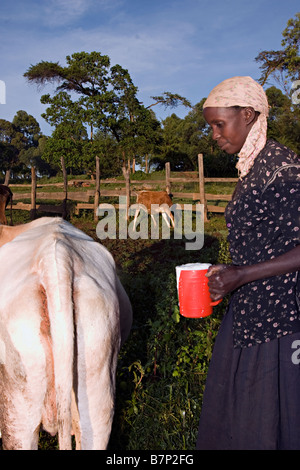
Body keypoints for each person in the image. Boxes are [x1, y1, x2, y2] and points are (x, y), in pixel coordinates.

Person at [196, 76, 300, 450]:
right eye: (211, 125)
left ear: (249, 115)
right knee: (239, 412)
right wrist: (229, 276)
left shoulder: (283, 171)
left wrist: (242, 275)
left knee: (270, 415)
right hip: (250, 308)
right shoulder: (252, 167)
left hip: (279, 317)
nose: (214, 135)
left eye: (219, 124)